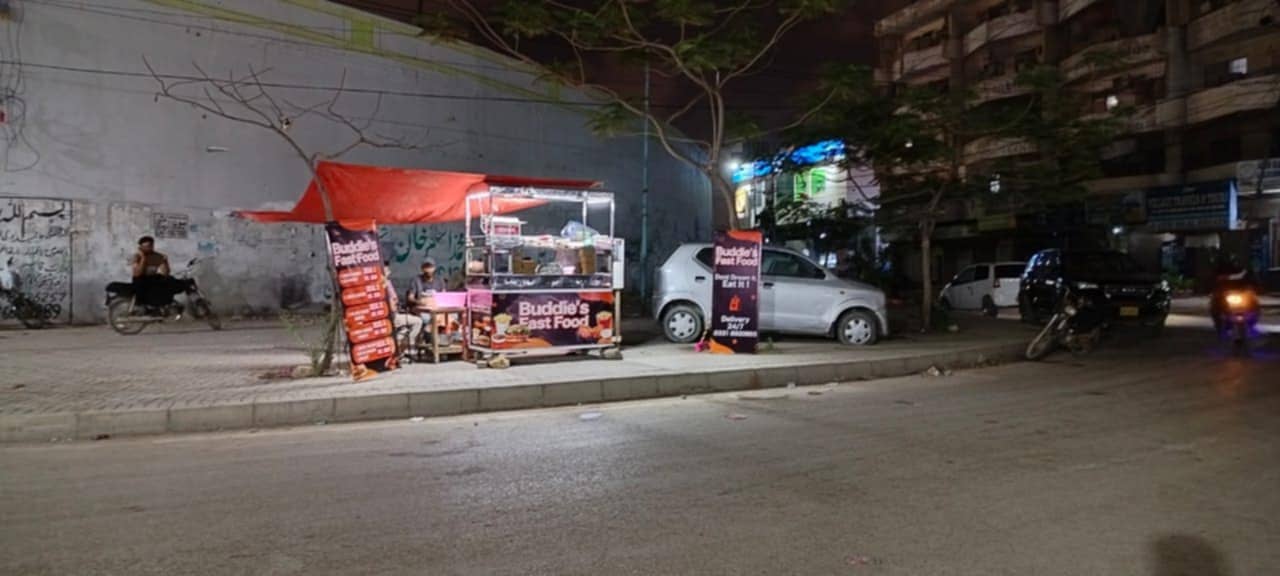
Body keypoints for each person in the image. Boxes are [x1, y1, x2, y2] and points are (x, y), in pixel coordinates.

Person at [384, 262, 423, 361]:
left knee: (404, 329)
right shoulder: (384, 284)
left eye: (388, 270)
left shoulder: (387, 282)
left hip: (395, 314)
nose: (389, 272)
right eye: (386, 270)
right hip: (391, 316)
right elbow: (391, 302)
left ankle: (398, 349)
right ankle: (409, 346)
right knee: (418, 321)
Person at [130, 236, 179, 309]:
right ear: (140, 247)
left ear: (152, 246)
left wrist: (165, 262)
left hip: (152, 279)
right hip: (140, 280)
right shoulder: (137, 257)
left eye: (149, 246)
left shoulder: (157, 256)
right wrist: (143, 258)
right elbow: (137, 274)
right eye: (144, 247)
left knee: (170, 280)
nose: (146, 248)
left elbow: (165, 273)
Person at [407, 258, 446, 344]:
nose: (428, 270)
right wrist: (419, 302)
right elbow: (410, 297)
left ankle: (440, 340)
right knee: (427, 318)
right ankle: (431, 339)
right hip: (421, 309)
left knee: (450, 317)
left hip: (436, 308)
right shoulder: (416, 280)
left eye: (430, 267)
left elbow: (444, 295)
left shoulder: (439, 280)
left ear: (434, 268)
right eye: (426, 267)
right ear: (422, 268)